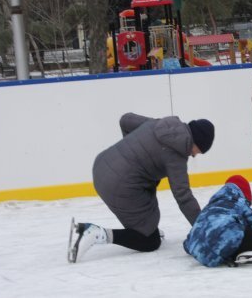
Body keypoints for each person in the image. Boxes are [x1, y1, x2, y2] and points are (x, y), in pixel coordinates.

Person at [68, 112, 215, 263]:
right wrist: (204, 230)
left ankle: (144, 230)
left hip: (101, 166)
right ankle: (95, 233)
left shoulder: (158, 124)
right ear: (196, 141)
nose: (195, 155)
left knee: (150, 222)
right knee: (149, 241)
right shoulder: (177, 154)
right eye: (199, 150)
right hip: (119, 186)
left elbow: (125, 120)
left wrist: (131, 157)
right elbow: (183, 196)